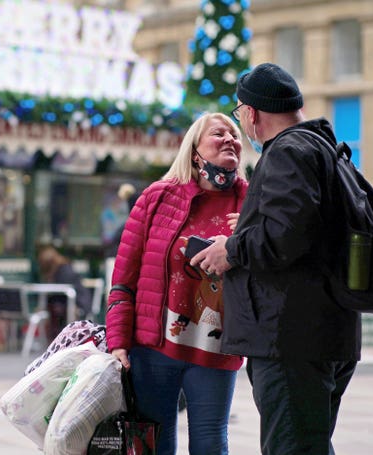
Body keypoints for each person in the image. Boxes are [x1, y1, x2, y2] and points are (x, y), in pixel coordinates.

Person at [190, 63, 361, 455]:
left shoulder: (287, 151)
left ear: (251, 113)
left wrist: (230, 250)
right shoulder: (324, 146)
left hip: (291, 338)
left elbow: (288, 234)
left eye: (239, 113)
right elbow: (308, 230)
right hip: (326, 332)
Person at [106, 112, 248, 454]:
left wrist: (249, 235)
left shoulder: (253, 203)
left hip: (216, 346)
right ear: (195, 151)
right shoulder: (156, 198)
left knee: (211, 443)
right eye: (219, 133)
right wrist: (118, 340)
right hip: (154, 346)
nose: (230, 138)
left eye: (235, 134)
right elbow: (124, 278)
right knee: (154, 444)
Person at [36, 245, 92, 340]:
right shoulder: (60, 268)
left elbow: (64, 292)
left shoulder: (64, 270)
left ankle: (59, 339)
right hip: (66, 302)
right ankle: (55, 339)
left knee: (53, 308)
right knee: (52, 307)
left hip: (78, 303)